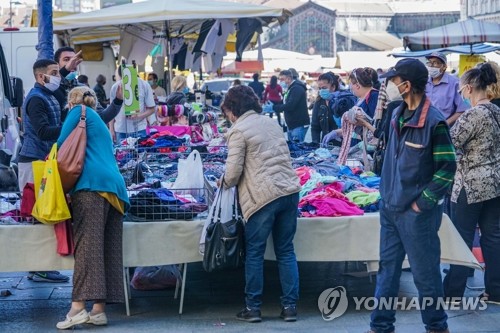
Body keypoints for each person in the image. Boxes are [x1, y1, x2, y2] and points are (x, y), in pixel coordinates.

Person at [368, 58, 456, 333]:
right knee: (387, 271)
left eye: (393, 81)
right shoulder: (396, 114)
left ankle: (436, 326)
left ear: (406, 85)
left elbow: (447, 168)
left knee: (426, 276)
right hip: (390, 210)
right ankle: (380, 326)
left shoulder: (434, 122)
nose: (389, 86)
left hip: (417, 216)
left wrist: (422, 204)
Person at [221, 85, 301, 323]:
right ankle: (290, 308)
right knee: (286, 251)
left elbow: (233, 173)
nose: (227, 117)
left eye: (227, 112)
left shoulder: (238, 131)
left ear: (233, 109)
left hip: (262, 197)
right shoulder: (271, 123)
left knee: (254, 253)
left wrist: (221, 182)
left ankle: (253, 308)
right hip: (289, 192)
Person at [55, 86, 130, 329]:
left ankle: (77, 308)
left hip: (91, 186)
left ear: (70, 102)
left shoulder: (78, 112)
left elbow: (60, 147)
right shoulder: (96, 118)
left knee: (87, 247)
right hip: (115, 188)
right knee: (107, 249)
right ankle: (98, 311)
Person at [442, 63, 500, 304]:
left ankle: (453, 292)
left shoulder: (473, 114)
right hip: (495, 183)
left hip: (470, 185)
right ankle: (495, 291)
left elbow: (450, 143)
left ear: (468, 88)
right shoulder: (497, 111)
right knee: (493, 237)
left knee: (461, 237)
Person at [18, 59, 70, 284]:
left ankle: (41, 267)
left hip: (42, 161)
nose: (58, 76)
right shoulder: (36, 99)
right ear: (41, 77)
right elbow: (42, 131)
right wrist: (71, 127)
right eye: (54, 73)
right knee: (37, 214)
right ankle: (38, 268)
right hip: (33, 162)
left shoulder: (48, 95)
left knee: (43, 214)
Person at [54, 46, 121, 124]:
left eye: (74, 59)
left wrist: (118, 100)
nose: (72, 62)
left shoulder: (84, 89)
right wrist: (65, 70)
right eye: (66, 59)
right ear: (57, 65)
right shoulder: (53, 87)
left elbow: (101, 117)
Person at [109, 65, 156, 142]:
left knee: (140, 153)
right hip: (120, 129)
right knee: (122, 153)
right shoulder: (116, 87)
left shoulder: (144, 85)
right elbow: (111, 110)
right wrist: (111, 130)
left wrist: (139, 116)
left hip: (140, 129)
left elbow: (152, 108)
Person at [264, 69, 310, 142]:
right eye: (280, 79)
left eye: (282, 79)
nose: (280, 82)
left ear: (289, 78)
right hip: (292, 125)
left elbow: (290, 105)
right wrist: (274, 106)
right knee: (292, 148)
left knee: (296, 149)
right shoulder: (290, 88)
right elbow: (285, 102)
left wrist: (274, 107)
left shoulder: (296, 88)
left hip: (298, 125)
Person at [425, 52, 468, 126]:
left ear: (444, 66)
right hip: (425, 128)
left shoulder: (455, 84)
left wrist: (445, 124)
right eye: (429, 63)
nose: (431, 66)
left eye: (435, 63)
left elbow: (462, 110)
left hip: (445, 129)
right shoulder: (424, 83)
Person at [310, 72, 340, 144]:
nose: (321, 91)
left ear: (333, 87)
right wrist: (316, 144)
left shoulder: (343, 102)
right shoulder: (318, 103)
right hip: (325, 145)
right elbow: (315, 127)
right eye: (320, 88)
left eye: (324, 88)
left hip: (341, 145)